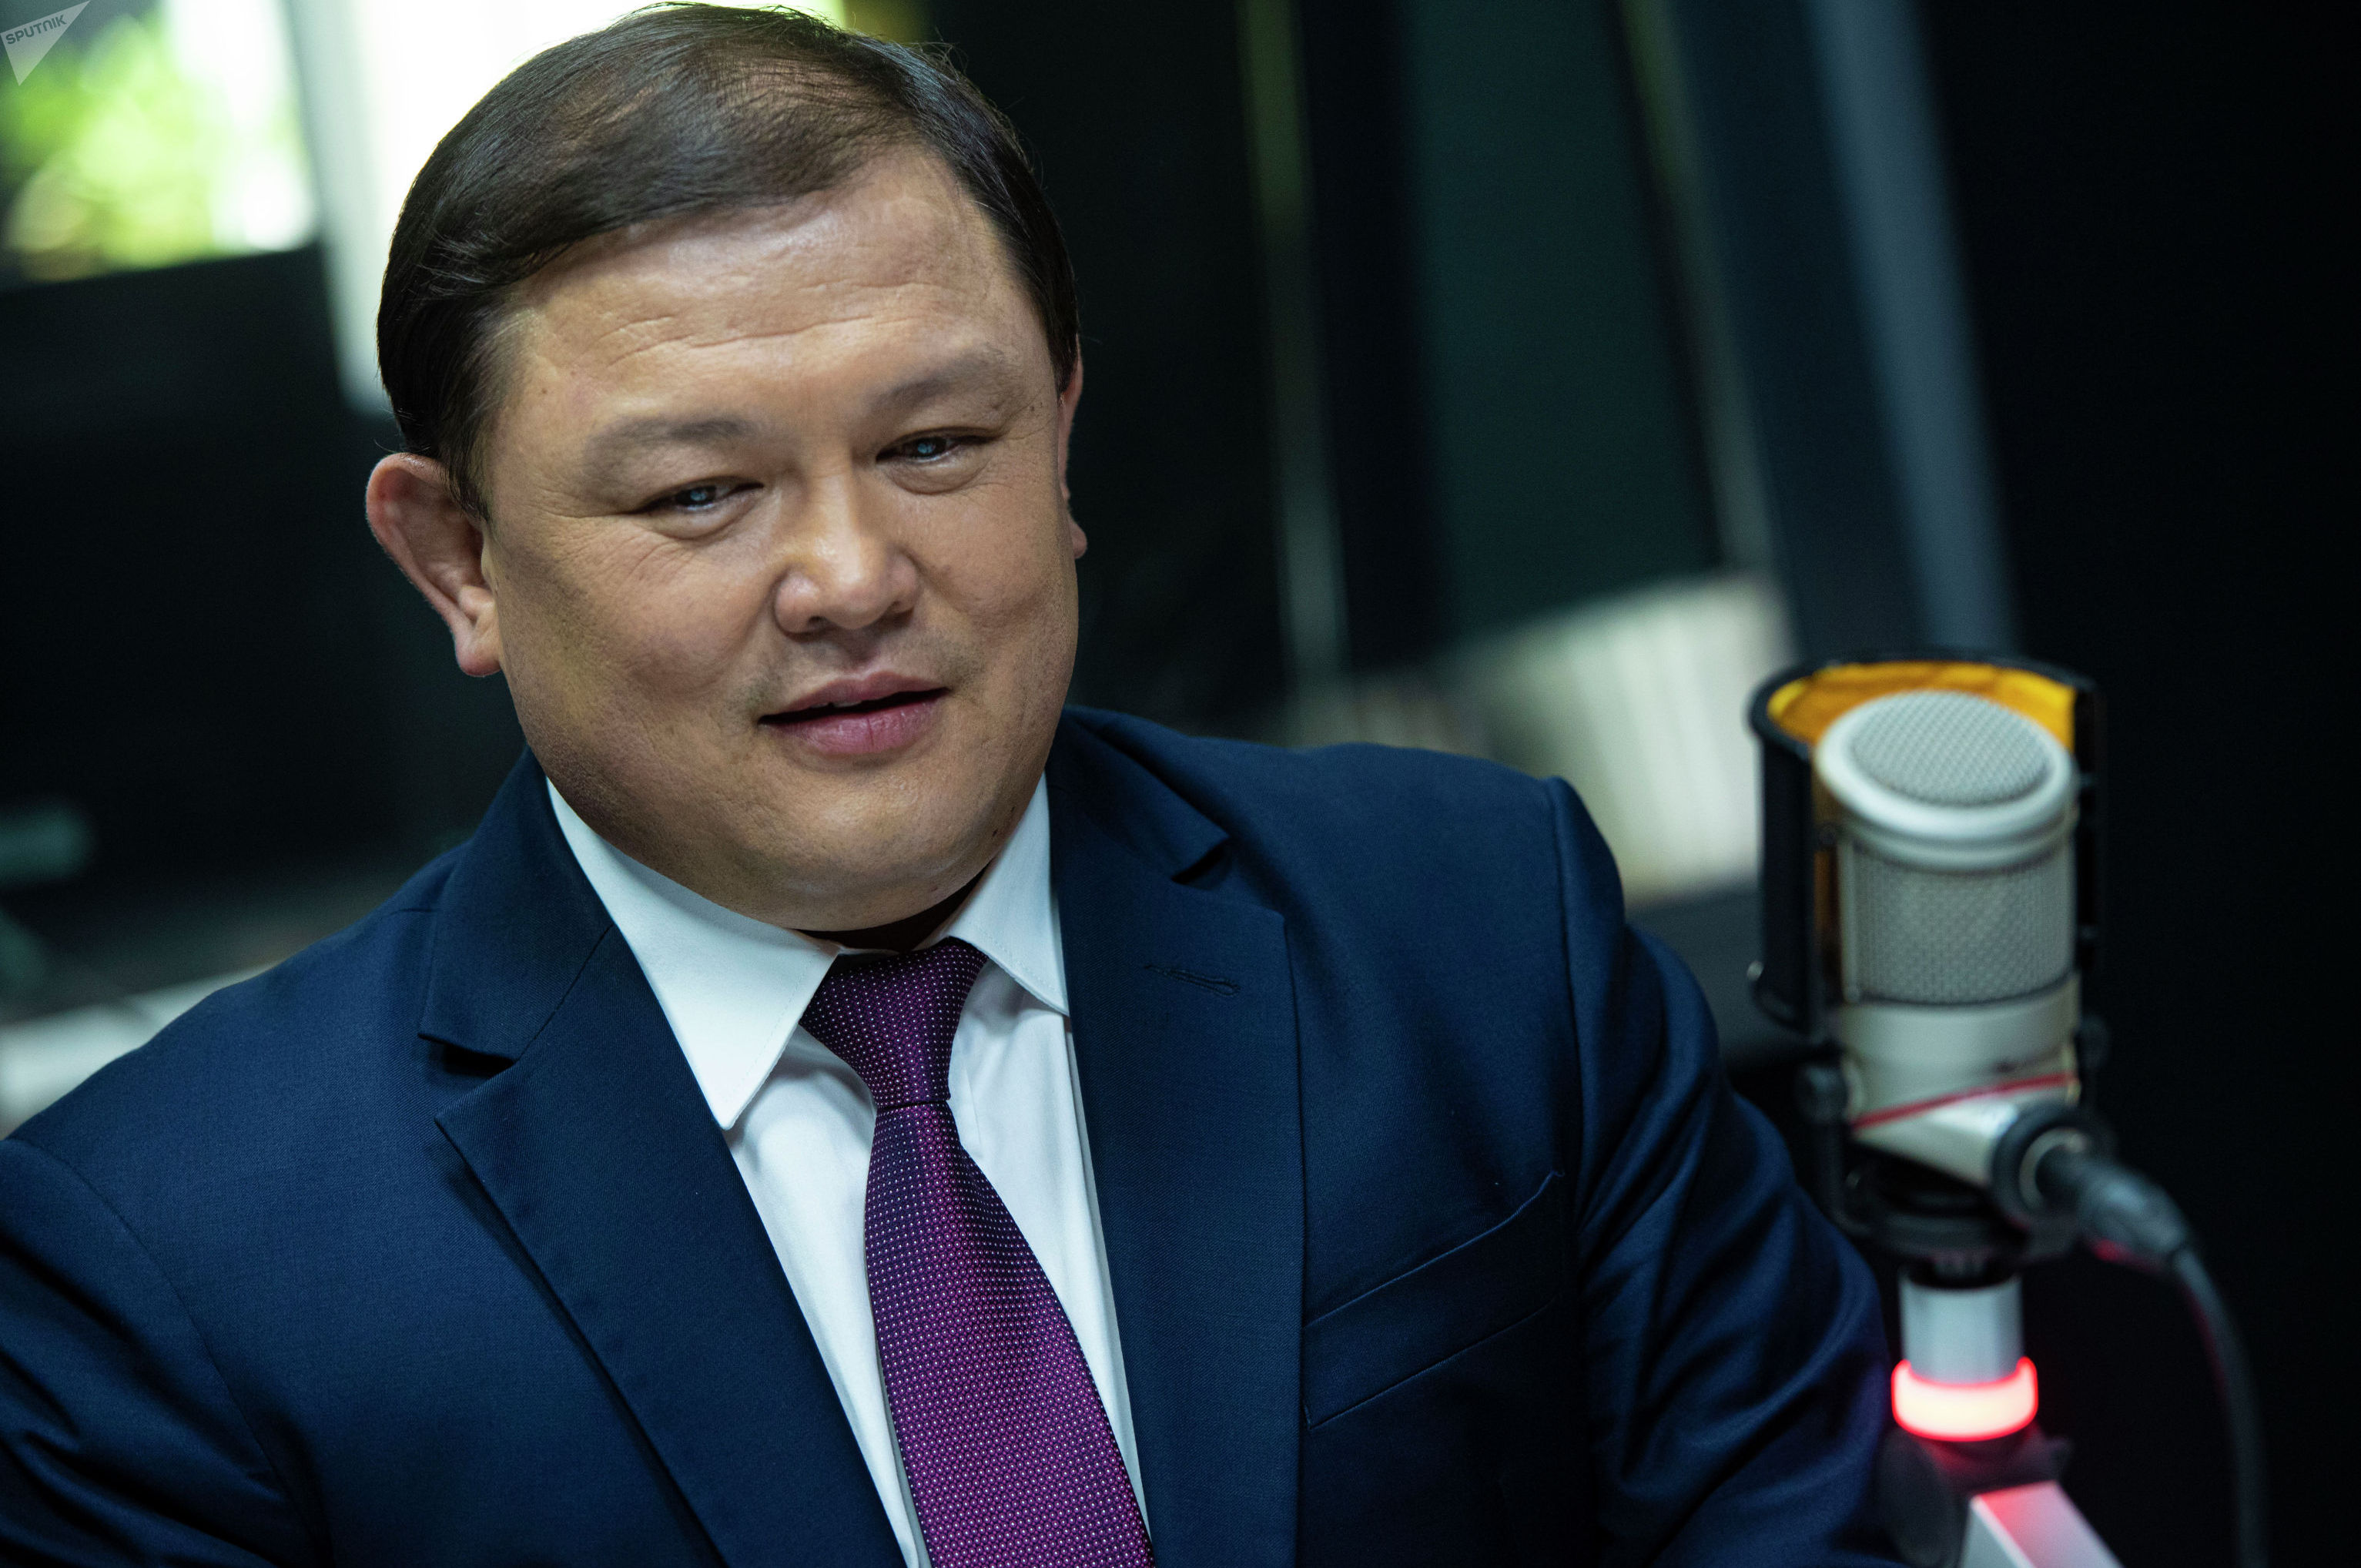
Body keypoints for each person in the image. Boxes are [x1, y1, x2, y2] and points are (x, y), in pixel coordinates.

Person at [0, 8, 1892, 1564]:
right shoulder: (173, 1260)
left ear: (1059, 439)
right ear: (460, 561)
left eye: (932, 444)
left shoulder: (1469, 933)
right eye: (700, 494)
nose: (849, 578)